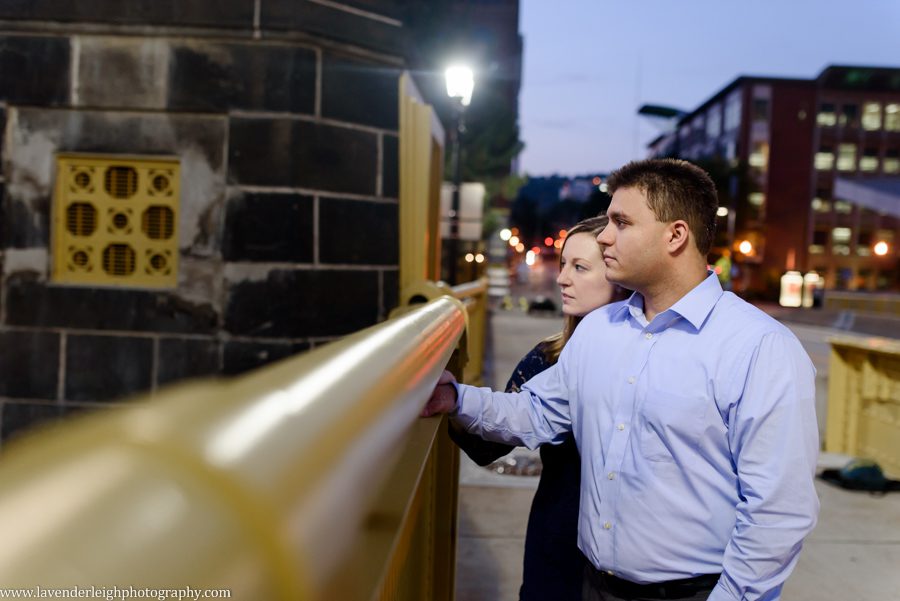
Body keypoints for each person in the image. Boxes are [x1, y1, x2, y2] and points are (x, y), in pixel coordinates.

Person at [423, 158, 819, 601]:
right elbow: (535, 412)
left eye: (622, 222)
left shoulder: (759, 347)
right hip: (592, 586)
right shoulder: (598, 330)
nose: (606, 236)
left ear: (676, 235)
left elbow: (778, 510)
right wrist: (454, 397)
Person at [450, 216, 629, 601]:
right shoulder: (550, 357)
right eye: (564, 264)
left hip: (629, 560)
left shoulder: (652, 361)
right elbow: (488, 447)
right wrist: (450, 399)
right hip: (558, 546)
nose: (562, 278)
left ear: (620, 277)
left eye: (579, 268)